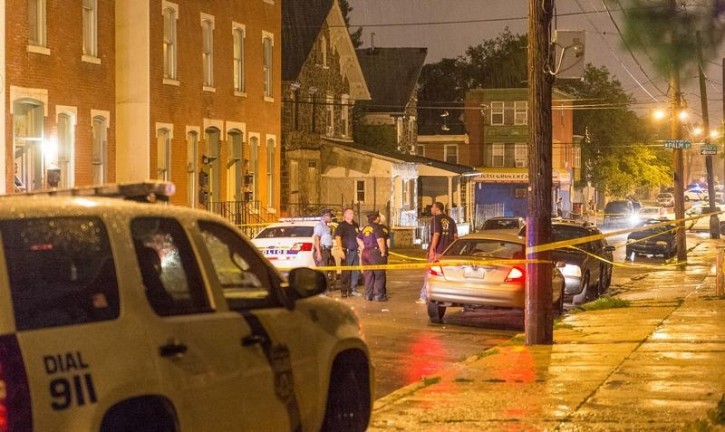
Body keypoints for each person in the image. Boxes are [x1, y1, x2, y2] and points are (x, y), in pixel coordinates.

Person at [417, 202, 458, 304]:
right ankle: (448, 297)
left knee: (430, 274)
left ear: (437, 209)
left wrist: (432, 249)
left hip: (438, 251)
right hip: (448, 252)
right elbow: (456, 236)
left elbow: (436, 234)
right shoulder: (451, 220)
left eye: (432, 207)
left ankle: (424, 296)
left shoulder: (435, 219)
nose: (431, 209)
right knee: (446, 275)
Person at [357, 211, 388, 302]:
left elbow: (358, 238)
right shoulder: (378, 227)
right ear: (377, 218)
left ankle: (368, 295)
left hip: (365, 253)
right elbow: (380, 240)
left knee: (368, 275)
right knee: (379, 275)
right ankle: (379, 296)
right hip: (375, 253)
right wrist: (382, 252)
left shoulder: (366, 227)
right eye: (378, 217)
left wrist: (363, 247)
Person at [334, 207, 361, 297]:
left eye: (352, 213)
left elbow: (359, 237)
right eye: (350, 213)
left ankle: (352, 289)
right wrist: (340, 250)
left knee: (355, 272)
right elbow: (338, 238)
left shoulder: (355, 225)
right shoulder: (342, 225)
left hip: (355, 252)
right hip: (347, 252)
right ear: (345, 215)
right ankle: (344, 291)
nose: (352, 215)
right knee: (346, 273)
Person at [313, 209, 335, 294]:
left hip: (327, 250)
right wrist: (318, 253)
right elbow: (316, 239)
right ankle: (323, 291)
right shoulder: (320, 226)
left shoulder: (326, 227)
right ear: (325, 216)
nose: (331, 218)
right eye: (330, 216)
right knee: (323, 272)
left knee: (325, 271)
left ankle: (325, 290)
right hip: (322, 250)